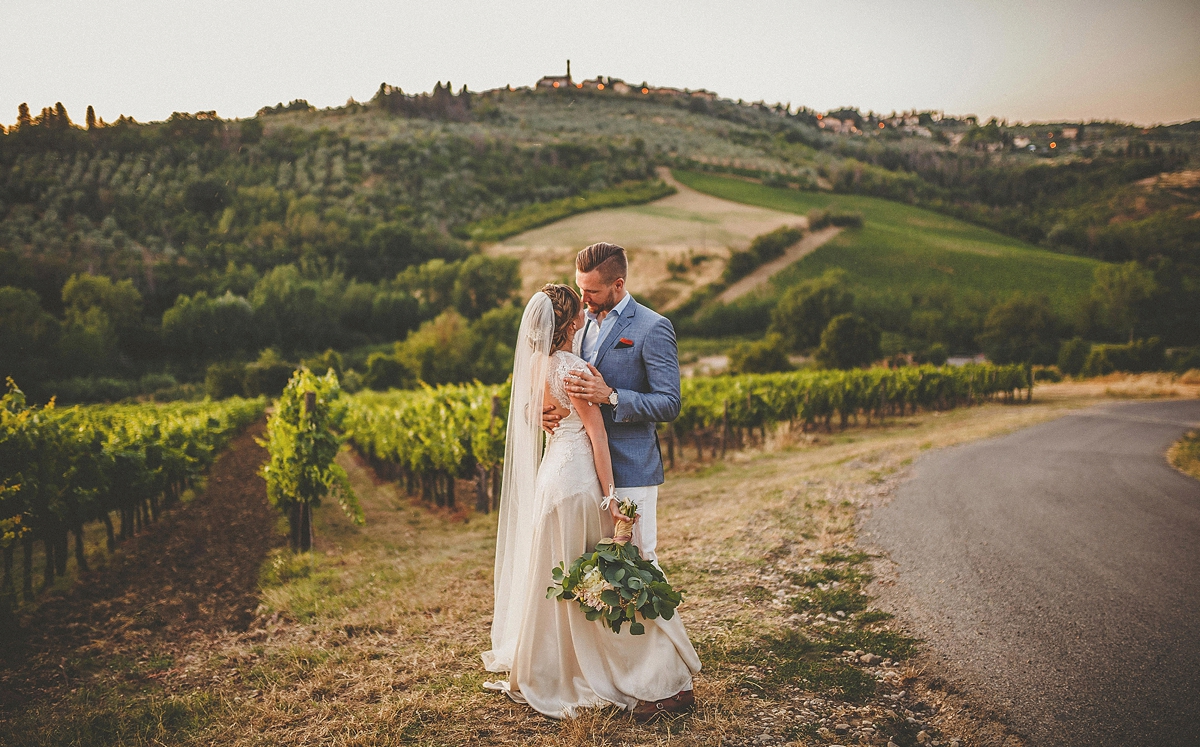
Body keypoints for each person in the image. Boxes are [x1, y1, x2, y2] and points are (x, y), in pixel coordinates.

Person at [482, 282, 700, 721]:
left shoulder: (535, 366)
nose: (585, 304)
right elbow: (597, 438)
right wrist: (612, 498)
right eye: (578, 302)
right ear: (571, 323)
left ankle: (553, 666)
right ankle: (634, 670)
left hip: (550, 482)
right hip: (579, 482)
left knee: (559, 576)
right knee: (605, 574)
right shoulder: (574, 369)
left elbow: (538, 413)